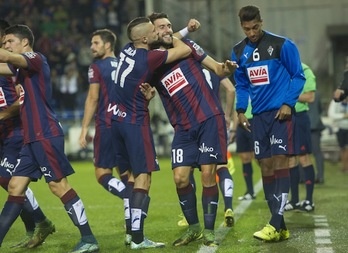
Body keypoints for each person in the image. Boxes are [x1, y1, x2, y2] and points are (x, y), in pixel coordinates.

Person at [0, 24, 99, 253]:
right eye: (4, 42)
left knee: (58, 185)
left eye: (10, 41)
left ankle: (89, 239)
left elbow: (5, 57)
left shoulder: (35, 58)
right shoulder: (19, 70)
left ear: (25, 42)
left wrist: (7, 53)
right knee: (15, 186)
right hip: (30, 138)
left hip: (45, 133)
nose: (6, 45)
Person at [145, 12, 238, 247]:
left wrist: (226, 68)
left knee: (208, 175)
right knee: (180, 178)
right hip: (183, 128)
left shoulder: (188, 45)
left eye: (169, 25)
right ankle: (193, 228)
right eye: (162, 27)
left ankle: (208, 230)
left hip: (208, 118)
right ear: (152, 32)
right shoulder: (151, 62)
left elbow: (218, 70)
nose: (167, 29)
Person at [108, 17, 192, 250]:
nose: (159, 32)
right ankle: (137, 238)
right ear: (144, 38)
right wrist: (175, 35)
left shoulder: (127, 49)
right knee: (143, 178)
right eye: (154, 30)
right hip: (135, 122)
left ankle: (129, 232)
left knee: (131, 178)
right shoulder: (150, 57)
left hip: (114, 120)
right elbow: (183, 50)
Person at [232, 5, 305, 242]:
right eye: (247, 29)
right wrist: (241, 110)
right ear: (241, 27)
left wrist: (288, 103)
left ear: (261, 22)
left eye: (255, 27)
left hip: (279, 114)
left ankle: (274, 222)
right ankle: (280, 226)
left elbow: (298, 76)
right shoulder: (238, 51)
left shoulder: (283, 45)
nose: (252, 33)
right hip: (258, 117)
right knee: (264, 166)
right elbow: (241, 85)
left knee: (280, 160)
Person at [0, 19, 55, 249]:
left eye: (8, 40)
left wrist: (2, 115)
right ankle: (35, 225)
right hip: (4, 133)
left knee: (7, 179)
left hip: (18, 130)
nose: (7, 44)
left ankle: (40, 222)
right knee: (9, 182)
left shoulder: (15, 66)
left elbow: (22, 102)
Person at [78, 28, 131, 245]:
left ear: (107, 45)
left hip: (107, 125)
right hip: (127, 125)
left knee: (102, 174)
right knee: (127, 174)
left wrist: (83, 129)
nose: (92, 47)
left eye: (96, 43)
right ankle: (132, 230)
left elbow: (92, 98)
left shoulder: (97, 67)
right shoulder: (125, 64)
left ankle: (128, 195)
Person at [285, 63, 316, 213]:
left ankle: (309, 199)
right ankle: (295, 200)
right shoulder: (281, 68)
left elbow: (310, 97)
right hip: (285, 118)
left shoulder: (305, 70)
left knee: (304, 157)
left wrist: (288, 96)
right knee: (290, 159)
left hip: (300, 118)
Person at [230, 100, 256, 201]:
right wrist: (234, 130)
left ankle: (272, 188)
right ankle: (250, 191)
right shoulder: (239, 88)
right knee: (244, 157)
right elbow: (236, 110)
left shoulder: (256, 85)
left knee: (260, 158)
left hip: (254, 120)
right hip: (241, 123)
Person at [308, 90, 326, 183]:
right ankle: (320, 176)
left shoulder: (296, 91)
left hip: (303, 125)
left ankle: (303, 177)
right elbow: (320, 110)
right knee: (317, 152)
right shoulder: (317, 94)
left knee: (300, 152)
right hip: (315, 125)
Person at [328, 97, 348, 173]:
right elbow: (331, 114)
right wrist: (344, 116)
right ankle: (344, 167)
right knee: (342, 148)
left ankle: (346, 167)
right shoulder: (335, 101)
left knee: (346, 148)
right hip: (339, 128)